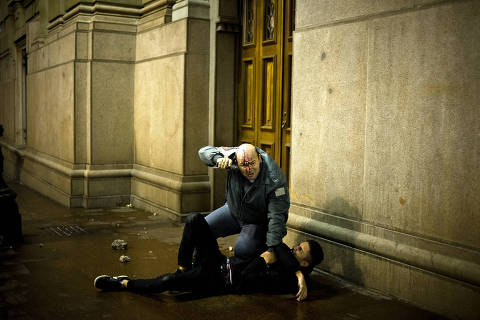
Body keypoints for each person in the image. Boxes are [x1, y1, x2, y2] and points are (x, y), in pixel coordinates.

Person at [94, 213, 323, 301]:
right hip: (220, 261)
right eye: (297, 246)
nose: (294, 248)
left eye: (300, 251)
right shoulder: (290, 264)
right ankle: (182, 269)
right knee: (195, 220)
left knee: (166, 283)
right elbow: (277, 244)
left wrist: (264, 260)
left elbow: (245, 280)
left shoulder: (286, 280)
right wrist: (297, 270)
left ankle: (122, 283)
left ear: (306, 262)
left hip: (218, 280)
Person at [198, 144, 289, 264]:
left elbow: (277, 216)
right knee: (200, 230)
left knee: (243, 250)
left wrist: (272, 248)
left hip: (255, 221)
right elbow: (203, 151)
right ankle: (204, 266)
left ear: (260, 158)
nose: (249, 169)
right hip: (232, 210)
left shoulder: (275, 180)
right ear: (237, 161)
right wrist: (218, 159)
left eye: (252, 163)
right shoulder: (232, 157)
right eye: (244, 165)